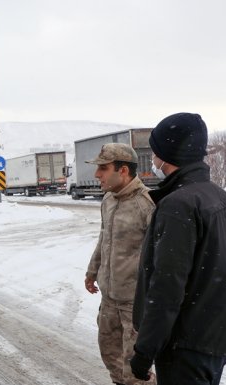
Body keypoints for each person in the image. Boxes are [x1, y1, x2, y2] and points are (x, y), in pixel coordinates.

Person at [130, 113, 226, 384]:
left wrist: (145, 350)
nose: (153, 158)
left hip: (185, 345)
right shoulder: (218, 196)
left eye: (155, 151)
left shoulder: (178, 204)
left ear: (167, 152)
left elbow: (167, 286)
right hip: (213, 337)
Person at [84, 143, 156, 385]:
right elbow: (104, 238)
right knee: (109, 355)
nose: (97, 175)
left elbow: (158, 258)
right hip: (109, 298)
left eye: (103, 169)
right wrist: (92, 271)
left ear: (123, 170)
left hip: (133, 304)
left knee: (135, 369)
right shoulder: (108, 200)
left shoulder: (146, 204)